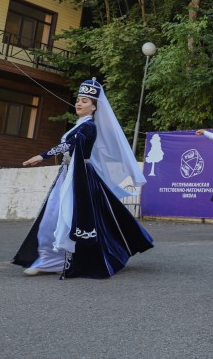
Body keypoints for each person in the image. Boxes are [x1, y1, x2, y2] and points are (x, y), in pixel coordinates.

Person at [13, 79, 153, 278]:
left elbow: (69, 145)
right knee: (52, 217)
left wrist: (42, 156)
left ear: (94, 107)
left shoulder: (89, 127)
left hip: (81, 179)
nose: (79, 103)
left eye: (85, 101)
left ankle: (60, 260)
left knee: (71, 217)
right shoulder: (78, 124)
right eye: (78, 100)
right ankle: (48, 259)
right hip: (67, 175)